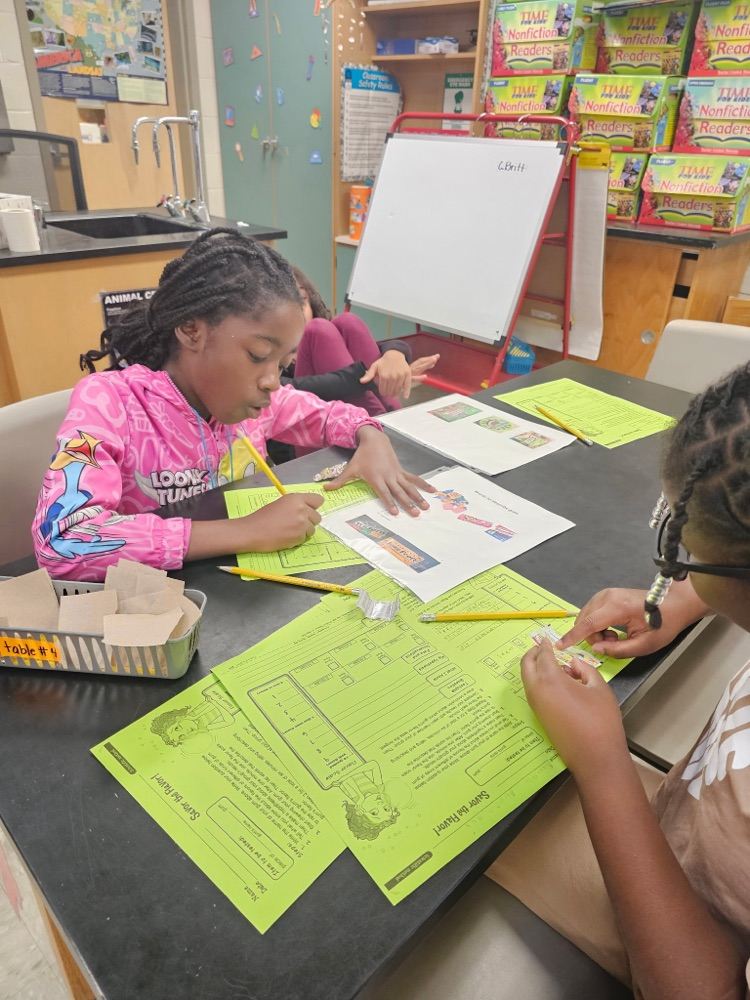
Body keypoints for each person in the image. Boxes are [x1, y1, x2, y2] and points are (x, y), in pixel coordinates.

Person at [488, 363, 750, 999]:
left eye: (687, 555)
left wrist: (602, 761)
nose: (676, 569)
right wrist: (683, 602)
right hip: (690, 836)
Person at [32, 228, 433, 582]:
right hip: (162, 609)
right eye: (258, 356)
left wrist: (371, 437)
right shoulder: (110, 403)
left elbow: (329, 415)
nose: (273, 380)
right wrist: (245, 531)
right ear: (191, 330)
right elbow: (62, 540)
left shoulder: (261, 400)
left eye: (284, 365)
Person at [287, 266, 439, 418]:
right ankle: (380, 424)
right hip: (302, 421)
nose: (297, 312)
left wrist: (394, 355)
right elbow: (303, 387)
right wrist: (370, 379)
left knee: (347, 322)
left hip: (354, 413)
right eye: (286, 304)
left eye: (301, 300)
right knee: (318, 328)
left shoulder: (326, 335)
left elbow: (381, 346)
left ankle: (392, 417)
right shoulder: (276, 361)